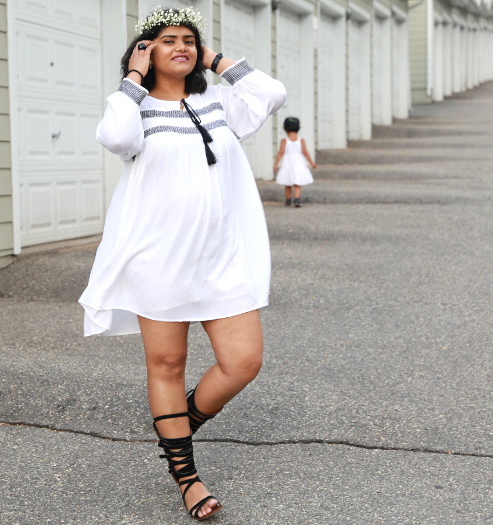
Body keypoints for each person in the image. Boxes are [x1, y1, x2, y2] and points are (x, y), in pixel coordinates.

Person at [78, 6, 285, 521]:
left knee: (244, 362)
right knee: (167, 365)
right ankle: (187, 477)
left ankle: (176, 429)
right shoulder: (136, 108)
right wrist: (133, 75)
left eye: (189, 40)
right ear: (146, 51)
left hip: (221, 260)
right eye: (167, 40)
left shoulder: (218, 102)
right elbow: (116, 137)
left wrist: (213, 59)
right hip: (159, 261)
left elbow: (270, 92)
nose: (182, 47)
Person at [273, 117, 316, 207]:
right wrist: (311, 162)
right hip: (298, 163)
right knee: (297, 183)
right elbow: (305, 152)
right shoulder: (301, 140)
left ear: (285, 128)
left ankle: (288, 200)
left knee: (288, 183)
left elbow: (281, 152)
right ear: (298, 128)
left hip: (287, 163)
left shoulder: (284, 141)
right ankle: (297, 200)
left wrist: (276, 164)